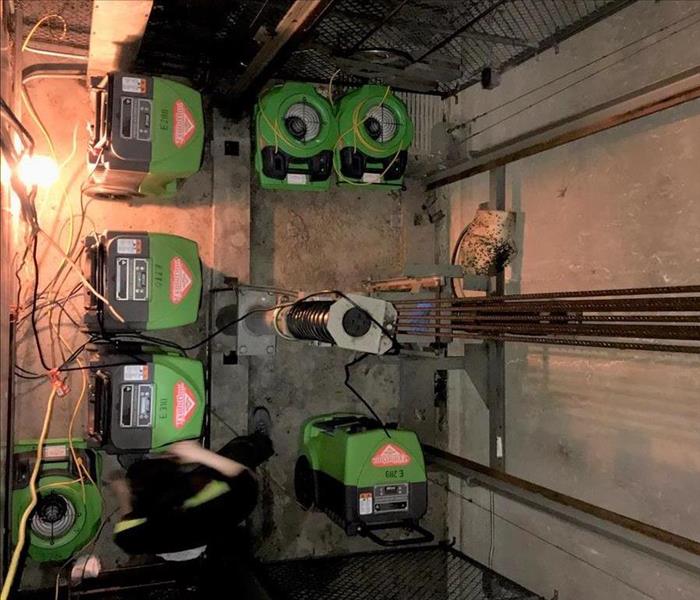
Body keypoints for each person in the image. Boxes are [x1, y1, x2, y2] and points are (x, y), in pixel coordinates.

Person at [110, 407, 273, 562]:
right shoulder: (215, 509)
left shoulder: (139, 535)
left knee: (136, 473)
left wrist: (123, 491)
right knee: (241, 451)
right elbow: (247, 478)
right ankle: (261, 441)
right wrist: (200, 454)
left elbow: (125, 526)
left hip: (174, 502)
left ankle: (139, 463)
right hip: (237, 493)